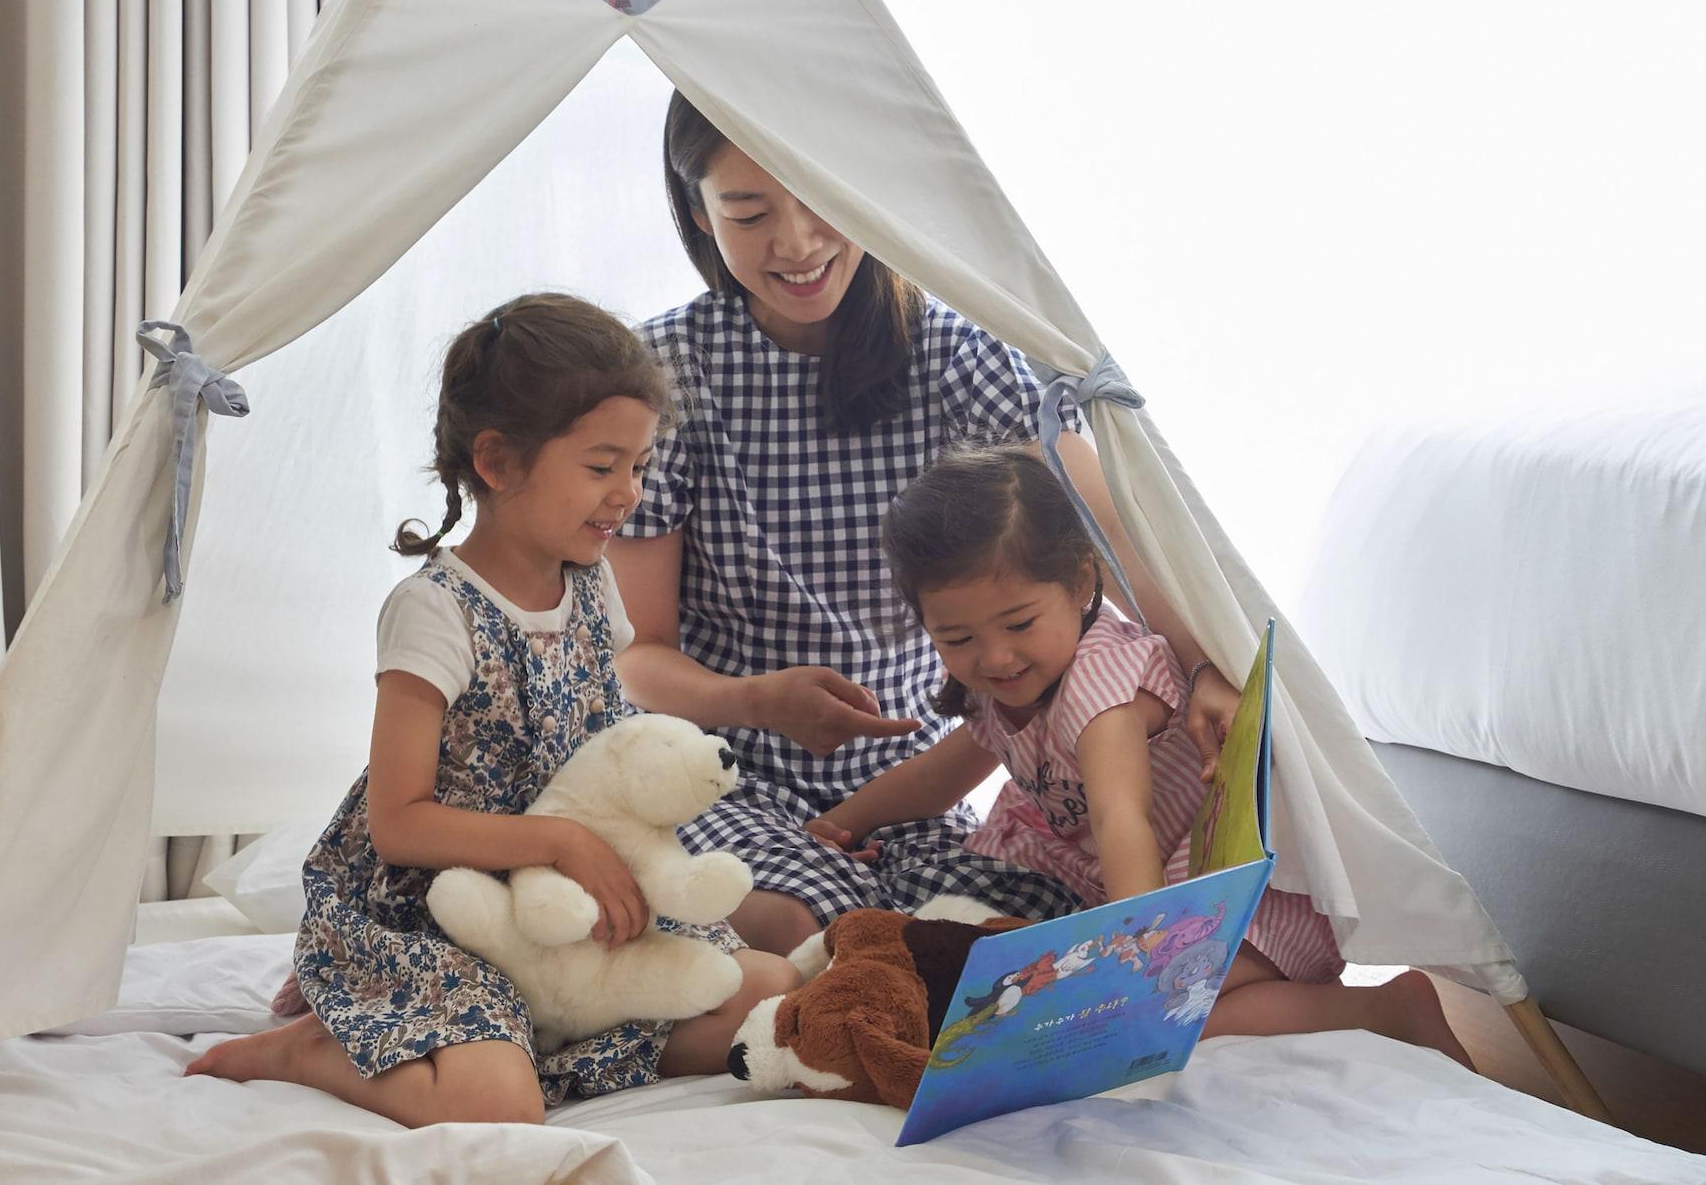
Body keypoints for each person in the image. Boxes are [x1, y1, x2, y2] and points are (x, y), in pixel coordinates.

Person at [609, 92, 1244, 955]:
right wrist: (758, 701)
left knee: (1009, 939)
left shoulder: (953, 353)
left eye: (821, 199)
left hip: (911, 779)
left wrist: (1208, 660)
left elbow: (1111, 533)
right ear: (698, 213)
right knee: (806, 931)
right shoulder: (668, 371)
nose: (796, 245)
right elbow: (637, 655)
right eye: (750, 213)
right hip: (722, 770)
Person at [186, 294, 800, 1125]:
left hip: (566, 910)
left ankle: (550, 1036)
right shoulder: (435, 610)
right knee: (498, 1104)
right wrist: (561, 840)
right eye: (601, 465)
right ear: (500, 462)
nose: (628, 493)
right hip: (446, 914)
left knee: (767, 987)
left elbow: (607, 751)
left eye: (641, 466)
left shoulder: (594, 587)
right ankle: (311, 1051)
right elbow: (399, 823)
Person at [805, 444, 1470, 1062]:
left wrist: (1137, 957)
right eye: (956, 638)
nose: (995, 656)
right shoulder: (1001, 683)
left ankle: (1387, 1009)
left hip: (1200, 878)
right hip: (1099, 871)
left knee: (1167, 1014)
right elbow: (938, 775)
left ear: (1081, 581)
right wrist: (846, 820)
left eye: (1019, 624)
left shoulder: (1104, 687)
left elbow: (1121, 817)